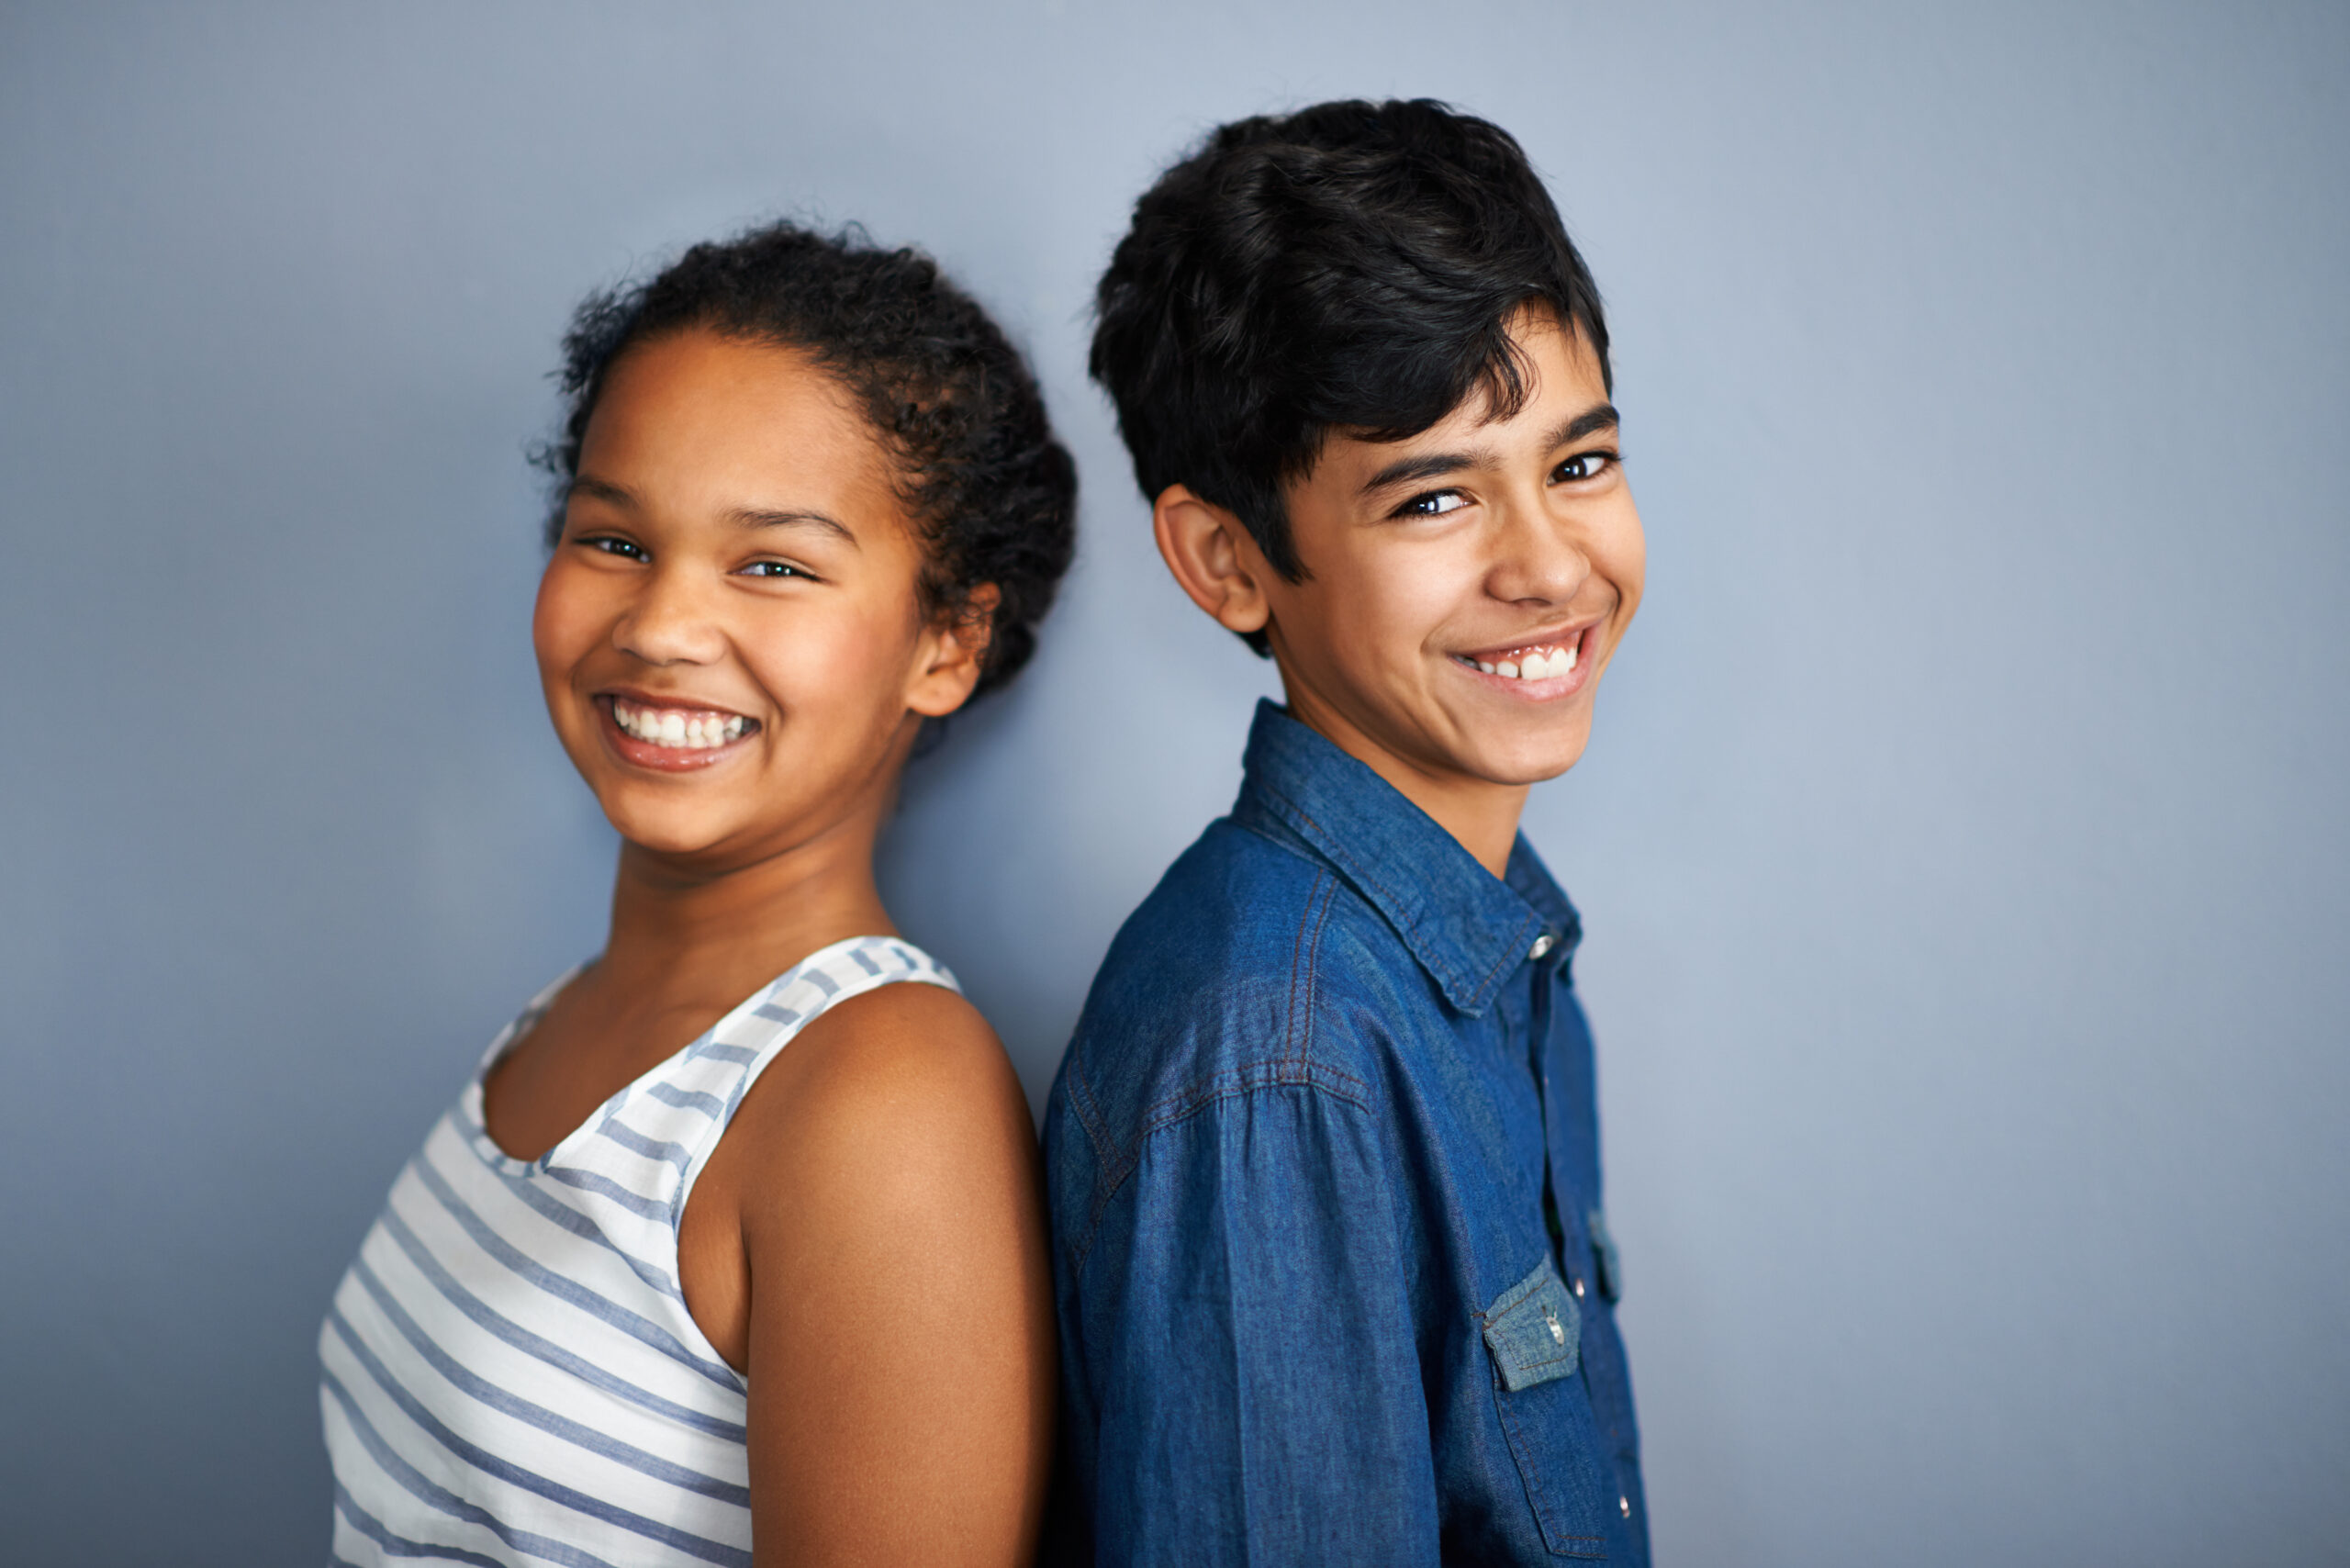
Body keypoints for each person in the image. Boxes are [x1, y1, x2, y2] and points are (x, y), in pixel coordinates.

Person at [320, 221, 1076, 1567]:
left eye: (773, 564)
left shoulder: (880, 1100)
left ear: (947, 642)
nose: (661, 626)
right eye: (613, 539)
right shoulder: (579, 1012)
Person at [1044, 100, 1650, 1564]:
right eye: (1435, 496)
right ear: (1227, 560)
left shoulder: (1503, 946)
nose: (1552, 565)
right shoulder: (1278, 1059)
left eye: (1578, 464)